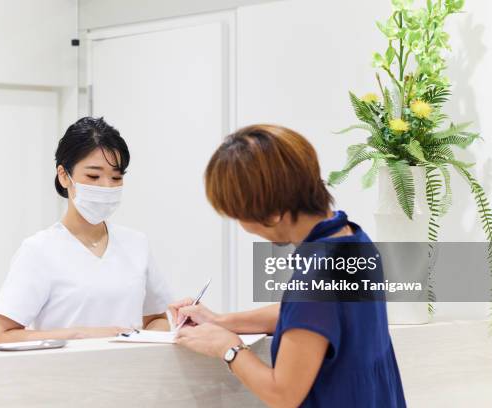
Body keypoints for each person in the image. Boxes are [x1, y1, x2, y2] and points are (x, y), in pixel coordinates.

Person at [170, 124, 406, 407]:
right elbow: (308, 316)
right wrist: (220, 321)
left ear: (272, 213)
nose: (244, 227)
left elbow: (283, 393)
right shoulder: (353, 239)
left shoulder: (317, 274)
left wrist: (228, 348)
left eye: (239, 215)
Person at [0, 117, 171, 344]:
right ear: (64, 176)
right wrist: (79, 335)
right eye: (93, 176)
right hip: (66, 375)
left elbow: (158, 319)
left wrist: (147, 336)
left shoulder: (136, 244)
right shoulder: (39, 250)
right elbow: (1, 336)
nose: (106, 186)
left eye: (116, 177)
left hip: (132, 375)